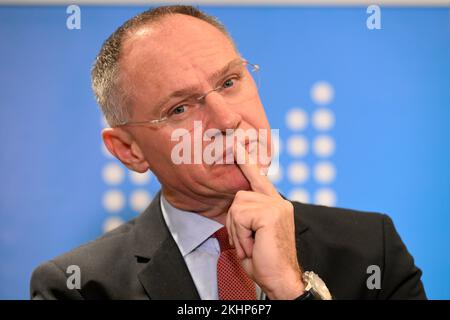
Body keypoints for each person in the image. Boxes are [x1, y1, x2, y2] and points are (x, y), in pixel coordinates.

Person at [30, 5, 426, 300]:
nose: (226, 118)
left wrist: (292, 291)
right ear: (129, 150)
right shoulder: (77, 285)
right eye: (179, 108)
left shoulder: (373, 249)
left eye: (230, 81)